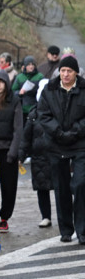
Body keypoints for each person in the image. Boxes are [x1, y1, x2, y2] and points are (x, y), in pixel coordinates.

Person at [36, 55, 85, 244]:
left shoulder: (83, 89)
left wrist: (75, 132)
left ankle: (82, 230)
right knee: (61, 187)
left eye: (69, 71)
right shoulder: (50, 89)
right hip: (56, 143)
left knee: (80, 185)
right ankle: (66, 229)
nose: (65, 74)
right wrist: (58, 132)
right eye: (63, 71)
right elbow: (43, 114)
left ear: (76, 73)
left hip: (80, 143)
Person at [0, 70, 23, 233]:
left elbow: (18, 129)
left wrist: (13, 152)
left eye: (1, 82)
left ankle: (4, 217)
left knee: (9, 186)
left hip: (8, 149)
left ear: (6, 83)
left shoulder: (15, 101)